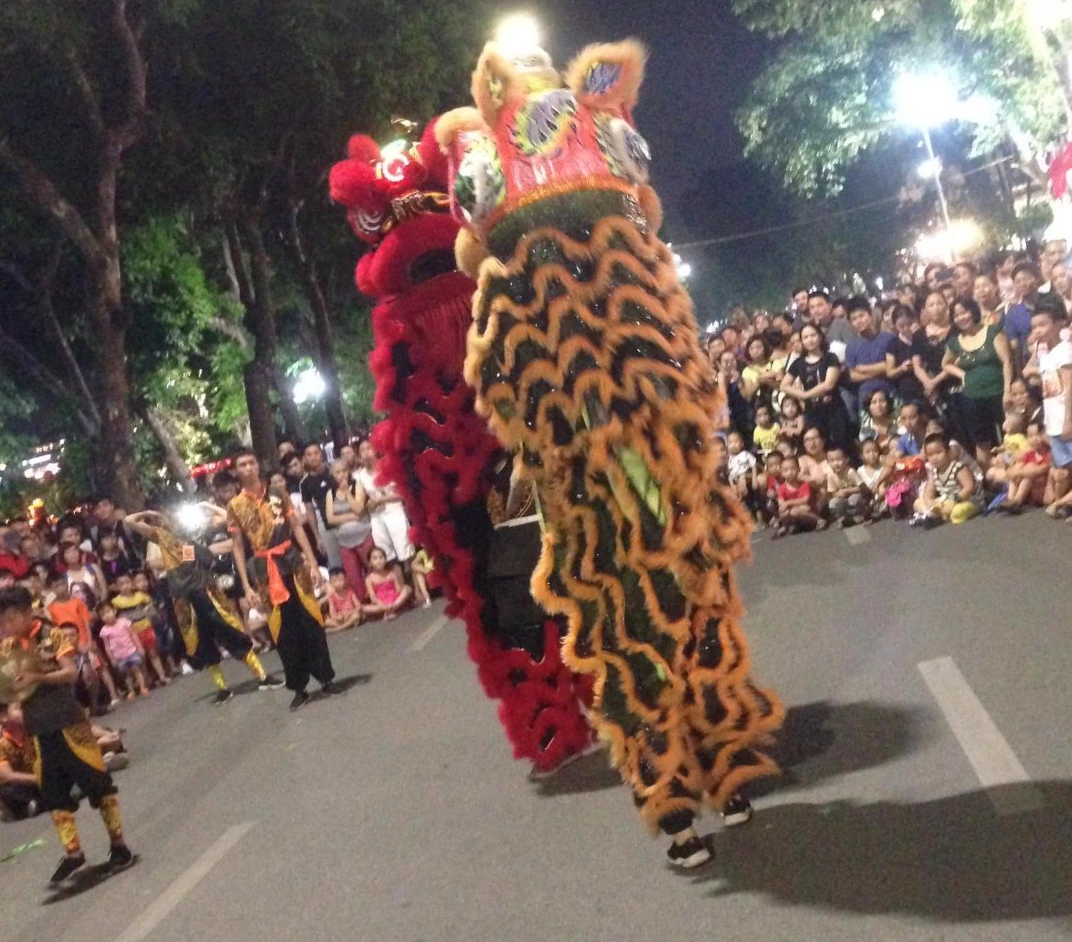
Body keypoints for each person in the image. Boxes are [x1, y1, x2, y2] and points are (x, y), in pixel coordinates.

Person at [0, 588, 134, 882]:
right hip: (37, 730)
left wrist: (37, 677)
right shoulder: (7, 648)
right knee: (53, 794)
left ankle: (119, 847)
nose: (6, 626)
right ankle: (74, 854)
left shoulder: (51, 635)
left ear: (26, 612)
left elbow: (71, 673)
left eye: (10, 619)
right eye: (3, 621)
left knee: (98, 784)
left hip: (68, 722)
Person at [124, 509, 284, 704]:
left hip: (204, 594)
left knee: (232, 633)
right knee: (202, 644)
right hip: (184, 600)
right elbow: (129, 520)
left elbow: (207, 559)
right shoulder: (162, 537)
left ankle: (263, 676)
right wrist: (148, 513)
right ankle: (222, 689)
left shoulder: (189, 542)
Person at [228, 449, 336, 710]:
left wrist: (312, 563)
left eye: (252, 462)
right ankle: (298, 687)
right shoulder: (235, 506)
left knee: (310, 619)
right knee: (282, 629)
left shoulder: (277, 493)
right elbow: (238, 547)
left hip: (292, 561)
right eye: (242, 464)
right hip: (265, 571)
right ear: (236, 471)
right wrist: (246, 585)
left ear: (258, 465)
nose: (249, 467)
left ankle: (325, 677)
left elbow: (296, 526)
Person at [943, 296, 1014, 469]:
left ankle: (1012, 474)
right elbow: (945, 364)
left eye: (964, 312)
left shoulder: (993, 331)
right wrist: (962, 375)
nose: (961, 318)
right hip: (972, 397)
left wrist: (1008, 390)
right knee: (981, 441)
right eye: (956, 315)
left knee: (1010, 435)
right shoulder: (955, 342)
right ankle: (989, 477)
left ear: (973, 311)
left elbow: (1007, 361)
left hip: (999, 392)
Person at [1025, 306, 1072, 514]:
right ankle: (1064, 504)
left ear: (1057, 325)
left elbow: (1069, 387)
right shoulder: (1045, 355)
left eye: (1043, 325)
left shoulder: (1065, 350)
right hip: (1053, 421)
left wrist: (1068, 419)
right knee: (1065, 468)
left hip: (1066, 418)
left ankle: (1060, 504)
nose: (1038, 330)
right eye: (1034, 327)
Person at [782, 323, 851, 451]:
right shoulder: (798, 362)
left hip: (834, 411)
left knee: (840, 447)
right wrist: (800, 394)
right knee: (816, 447)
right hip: (812, 413)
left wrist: (806, 395)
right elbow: (784, 385)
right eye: (805, 337)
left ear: (820, 336)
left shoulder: (830, 358)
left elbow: (829, 384)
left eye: (813, 335)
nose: (810, 340)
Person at [355, 440, 415, 573]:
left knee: (406, 551)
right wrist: (367, 504)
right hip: (376, 516)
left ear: (375, 450)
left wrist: (382, 499)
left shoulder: (387, 467)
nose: (366, 453)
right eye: (362, 450)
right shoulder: (360, 475)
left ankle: (415, 582)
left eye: (368, 448)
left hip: (394, 512)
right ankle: (397, 583)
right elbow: (361, 500)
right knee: (386, 556)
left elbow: (402, 494)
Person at [324, 459, 373, 601]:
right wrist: (352, 517)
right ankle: (362, 603)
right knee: (353, 575)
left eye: (344, 471)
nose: (342, 475)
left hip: (363, 535)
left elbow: (359, 509)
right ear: (333, 475)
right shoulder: (330, 493)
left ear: (349, 472)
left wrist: (347, 492)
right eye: (338, 472)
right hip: (344, 541)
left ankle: (379, 597)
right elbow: (330, 518)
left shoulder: (357, 487)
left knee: (371, 567)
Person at [110, 572, 168, 687]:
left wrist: (148, 612)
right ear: (116, 587)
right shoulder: (116, 602)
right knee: (140, 658)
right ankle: (146, 681)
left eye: (128, 582)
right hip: (132, 633)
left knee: (153, 653)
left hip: (146, 627)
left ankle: (162, 676)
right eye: (121, 584)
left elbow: (150, 603)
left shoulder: (140, 596)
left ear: (132, 583)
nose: (125, 586)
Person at [912, 433, 983, 527]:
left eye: (938, 452)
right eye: (930, 455)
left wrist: (954, 501)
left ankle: (937, 516)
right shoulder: (934, 471)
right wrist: (931, 503)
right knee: (917, 503)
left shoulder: (957, 467)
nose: (934, 458)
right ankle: (932, 514)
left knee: (956, 512)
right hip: (945, 500)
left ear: (948, 451)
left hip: (964, 500)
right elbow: (928, 492)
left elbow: (969, 487)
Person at [844, 296, 895, 416]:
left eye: (861, 316)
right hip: (865, 396)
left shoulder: (888, 338)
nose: (859, 321)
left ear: (870, 315)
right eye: (854, 319)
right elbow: (852, 376)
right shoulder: (851, 347)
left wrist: (863, 369)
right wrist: (881, 369)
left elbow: (892, 365)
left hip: (889, 391)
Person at [300, 443, 342, 570]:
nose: (313, 457)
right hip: (325, 522)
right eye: (309, 454)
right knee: (335, 562)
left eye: (316, 453)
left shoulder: (334, 471)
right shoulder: (305, 483)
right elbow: (310, 511)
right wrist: (317, 537)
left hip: (343, 515)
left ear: (321, 454)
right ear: (305, 458)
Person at [993, 420, 1051, 512]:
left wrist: (1020, 472)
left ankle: (1017, 501)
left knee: (1029, 470)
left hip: (1041, 490)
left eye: (1038, 435)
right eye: (1030, 436)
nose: (1034, 439)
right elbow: (1011, 472)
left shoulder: (1049, 454)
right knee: (1019, 468)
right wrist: (1017, 471)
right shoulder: (1028, 454)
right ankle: (1010, 499)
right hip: (1029, 491)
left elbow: (1040, 470)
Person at [96, 603, 149, 699]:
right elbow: (107, 646)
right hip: (119, 655)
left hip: (131, 650)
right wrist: (111, 658)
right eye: (103, 615)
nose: (107, 615)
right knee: (126, 675)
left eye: (108, 612)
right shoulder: (104, 630)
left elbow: (133, 635)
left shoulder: (124, 622)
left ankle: (142, 687)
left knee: (136, 669)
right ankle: (131, 691)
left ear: (114, 611)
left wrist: (139, 647)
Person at [773, 455, 825, 538]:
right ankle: (786, 527)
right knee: (784, 513)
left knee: (795, 511)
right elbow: (781, 500)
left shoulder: (804, 484)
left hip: (807, 508)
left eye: (793, 469)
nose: (790, 472)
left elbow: (805, 499)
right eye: (786, 470)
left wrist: (788, 503)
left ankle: (819, 520)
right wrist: (783, 506)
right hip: (793, 509)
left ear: (799, 469)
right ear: (782, 473)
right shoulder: (782, 488)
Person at [1005, 261, 1041, 367]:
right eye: (1018, 281)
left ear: (1036, 278)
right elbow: (1015, 348)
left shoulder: (1050, 302)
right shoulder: (1013, 314)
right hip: (1030, 365)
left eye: (1026, 278)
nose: (1022, 284)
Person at [364, 546, 412, 620]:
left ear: (385, 560)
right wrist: (382, 605)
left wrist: (396, 601)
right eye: (375, 558)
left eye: (381, 557)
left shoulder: (391, 573)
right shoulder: (369, 579)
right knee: (364, 608)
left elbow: (398, 589)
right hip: (380, 603)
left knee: (407, 588)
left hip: (394, 600)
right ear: (370, 563)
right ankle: (388, 610)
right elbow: (373, 597)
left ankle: (393, 608)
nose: (379, 561)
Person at [824, 446, 866, 527]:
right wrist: (837, 494)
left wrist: (847, 491)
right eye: (832, 461)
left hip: (854, 495)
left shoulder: (850, 472)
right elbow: (832, 493)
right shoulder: (830, 476)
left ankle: (859, 514)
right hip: (842, 498)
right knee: (833, 503)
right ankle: (842, 518)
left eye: (839, 460)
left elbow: (861, 488)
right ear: (828, 463)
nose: (836, 463)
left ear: (846, 460)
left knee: (854, 499)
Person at [62, 545, 107, 611]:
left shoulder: (93, 567)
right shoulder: (63, 577)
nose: (73, 553)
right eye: (68, 552)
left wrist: (99, 608)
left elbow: (104, 590)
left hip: (97, 608)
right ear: (63, 557)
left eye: (75, 550)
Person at [859, 388, 896, 453]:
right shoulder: (866, 429)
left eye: (882, 401)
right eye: (874, 402)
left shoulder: (897, 423)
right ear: (868, 407)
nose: (878, 405)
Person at [857, 438, 887, 515]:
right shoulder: (860, 471)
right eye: (868, 452)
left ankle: (881, 505)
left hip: (881, 494)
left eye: (875, 451)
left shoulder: (882, 467)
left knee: (882, 489)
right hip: (868, 496)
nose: (872, 455)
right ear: (862, 456)